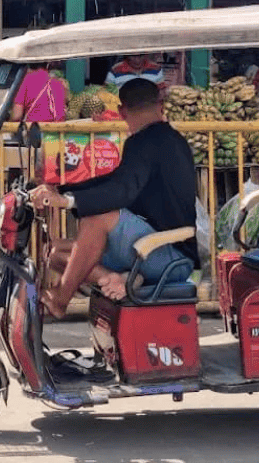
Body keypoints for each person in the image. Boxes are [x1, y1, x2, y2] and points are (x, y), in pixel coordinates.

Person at [31, 78, 197, 318]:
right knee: (53, 252)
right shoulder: (165, 140)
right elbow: (114, 182)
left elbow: (121, 191)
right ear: (160, 105)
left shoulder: (148, 142)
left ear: (121, 111)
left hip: (169, 254)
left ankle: (60, 300)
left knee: (98, 217)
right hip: (148, 245)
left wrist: (66, 201)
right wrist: (61, 190)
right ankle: (115, 278)